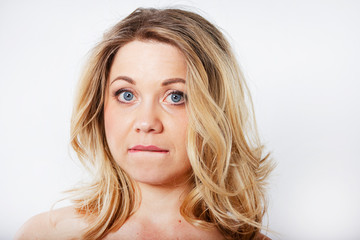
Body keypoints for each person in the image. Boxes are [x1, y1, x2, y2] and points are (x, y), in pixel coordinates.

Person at [15, 7, 273, 240]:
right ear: (99, 108)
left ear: (215, 112)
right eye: (126, 95)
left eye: (176, 96)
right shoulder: (44, 234)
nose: (146, 122)